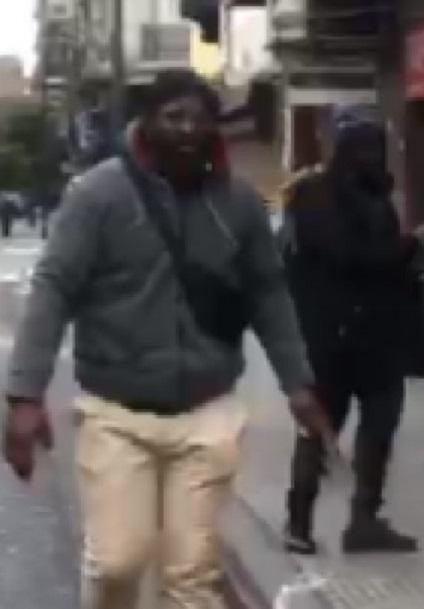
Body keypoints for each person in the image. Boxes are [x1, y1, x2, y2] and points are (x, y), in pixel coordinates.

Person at [2, 69, 330, 609]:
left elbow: (269, 296)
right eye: (173, 117)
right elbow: (54, 288)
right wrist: (24, 394)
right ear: (147, 122)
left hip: (208, 412)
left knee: (192, 574)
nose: (186, 130)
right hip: (116, 413)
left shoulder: (239, 204)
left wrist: (297, 383)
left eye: (199, 119)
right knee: (117, 565)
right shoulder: (97, 195)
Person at [280, 110, 424, 555]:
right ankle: (303, 523)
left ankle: (360, 521)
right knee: (323, 428)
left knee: (375, 428)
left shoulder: (349, 196)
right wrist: (416, 241)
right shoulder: (321, 197)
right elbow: (358, 258)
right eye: (368, 150)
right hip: (341, 339)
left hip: (365, 339)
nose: (374, 158)